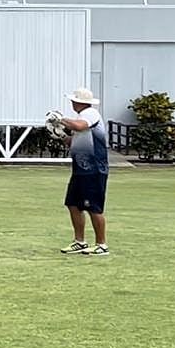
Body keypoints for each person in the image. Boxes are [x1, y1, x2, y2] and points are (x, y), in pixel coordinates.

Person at [53, 87, 110, 256]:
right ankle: (80, 241)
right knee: (73, 204)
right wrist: (60, 135)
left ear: (79, 102)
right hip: (80, 169)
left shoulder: (90, 114)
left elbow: (79, 126)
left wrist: (61, 119)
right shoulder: (82, 116)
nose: (71, 102)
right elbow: (74, 141)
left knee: (94, 207)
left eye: (73, 100)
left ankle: (102, 244)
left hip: (94, 169)